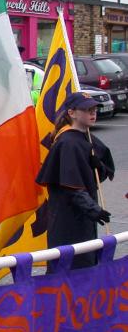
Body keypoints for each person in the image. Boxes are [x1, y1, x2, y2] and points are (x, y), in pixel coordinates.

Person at [36, 92, 115, 270]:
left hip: (84, 218)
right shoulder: (67, 142)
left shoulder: (86, 137)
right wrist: (93, 209)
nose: (93, 113)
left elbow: (93, 177)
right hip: (68, 219)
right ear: (72, 113)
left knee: (86, 262)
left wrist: (98, 166)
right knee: (71, 267)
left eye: (94, 109)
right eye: (87, 110)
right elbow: (70, 187)